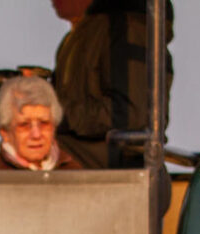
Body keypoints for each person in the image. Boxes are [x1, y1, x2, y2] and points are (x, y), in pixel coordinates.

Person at [48, 0, 173, 169]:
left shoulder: (127, 29)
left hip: (110, 170)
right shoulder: (79, 36)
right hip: (80, 162)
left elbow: (130, 115)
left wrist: (55, 116)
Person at [0, 75, 82, 171]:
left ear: (54, 127)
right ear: (5, 133)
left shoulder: (75, 174)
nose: (36, 134)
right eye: (24, 125)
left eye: (44, 123)